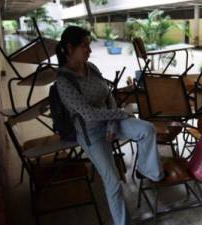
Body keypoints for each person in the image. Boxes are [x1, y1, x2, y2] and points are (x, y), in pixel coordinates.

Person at [55, 26, 164, 225]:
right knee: (113, 184)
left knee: (146, 129)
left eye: (89, 45)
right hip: (90, 133)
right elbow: (88, 114)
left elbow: (109, 97)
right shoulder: (64, 82)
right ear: (69, 49)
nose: (89, 50)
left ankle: (148, 172)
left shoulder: (92, 68)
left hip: (111, 122)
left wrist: (114, 123)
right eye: (84, 46)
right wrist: (120, 114)